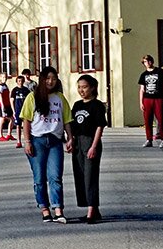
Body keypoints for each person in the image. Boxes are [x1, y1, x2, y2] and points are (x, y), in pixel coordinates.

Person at [19, 66, 69, 223]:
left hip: (55, 140)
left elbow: (67, 119)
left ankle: (58, 209)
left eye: (53, 79)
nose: (50, 81)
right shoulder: (32, 97)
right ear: (42, 79)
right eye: (47, 78)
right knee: (39, 177)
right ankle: (44, 208)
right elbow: (26, 121)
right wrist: (27, 142)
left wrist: (70, 137)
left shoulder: (59, 98)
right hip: (37, 140)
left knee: (55, 176)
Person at [66, 74, 108, 224]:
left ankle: (92, 209)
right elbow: (71, 125)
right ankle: (93, 209)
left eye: (84, 87)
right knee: (81, 176)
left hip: (91, 141)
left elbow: (99, 126)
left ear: (92, 88)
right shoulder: (77, 105)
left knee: (90, 176)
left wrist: (94, 146)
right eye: (79, 87)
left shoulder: (97, 105)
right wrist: (70, 140)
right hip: (78, 142)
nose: (81, 90)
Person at [136, 55, 163, 147]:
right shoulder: (143, 75)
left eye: (148, 61)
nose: (147, 63)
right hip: (147, 99)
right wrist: (141, 102)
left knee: (161, 119)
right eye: (145, 62)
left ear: (152, 61)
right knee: (147, 120)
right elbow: (142, 89)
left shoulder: (160, 71)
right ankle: (149, 139)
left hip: (158, 98)